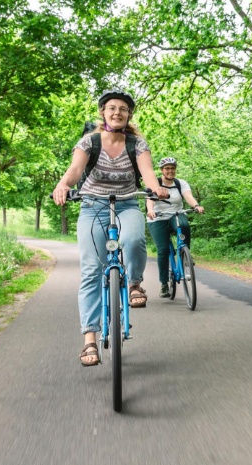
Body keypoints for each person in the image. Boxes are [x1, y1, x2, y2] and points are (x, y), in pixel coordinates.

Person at [52, 89, 169, 367]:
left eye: (123, 109)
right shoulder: (89, 142)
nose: (117, 113)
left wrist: (156, 189)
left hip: (127, 203)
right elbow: (75, 171)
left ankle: (134, 284)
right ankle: (90, 340)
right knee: (92, 269)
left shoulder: (137, 144)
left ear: (129, 115)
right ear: (103, 112)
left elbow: (148, 173)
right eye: (112, 108)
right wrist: (64, 184)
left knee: (133, 240)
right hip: (92, 206)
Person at [146, 157, 205, 297]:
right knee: (163, 249)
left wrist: (196, 206)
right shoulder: (156, 184)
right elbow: (150, 200)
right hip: (158, 218)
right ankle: (164, 284)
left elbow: (188, 196)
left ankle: (185, 255)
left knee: (184, 224)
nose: (170, 171)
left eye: (172, 168)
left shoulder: (180, 183)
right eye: (167, 168)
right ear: (162, 170)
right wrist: (150, 210)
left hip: (176, 214)